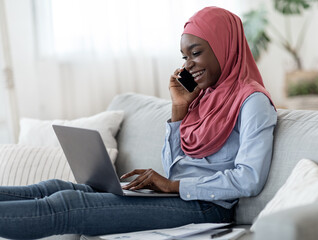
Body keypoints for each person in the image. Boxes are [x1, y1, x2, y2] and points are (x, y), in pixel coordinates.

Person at [0, 6, 277, 239]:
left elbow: (249, 179)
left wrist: (174, 186)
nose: (188, 65)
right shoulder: (202, 97)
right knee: (52, 188)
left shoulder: (252, 101)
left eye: (196, 53)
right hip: (178, 197)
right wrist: (179, 108)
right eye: (184, 56)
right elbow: (174, 167)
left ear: (224, 46)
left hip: (208, 207)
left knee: (68, 205)